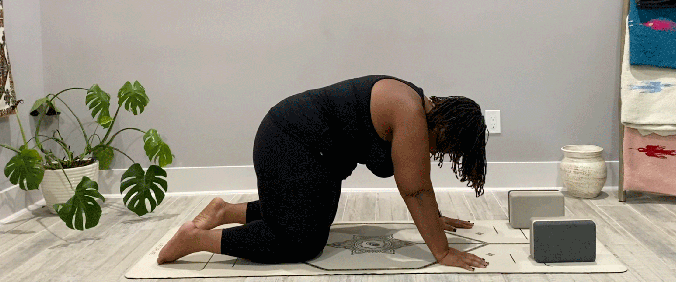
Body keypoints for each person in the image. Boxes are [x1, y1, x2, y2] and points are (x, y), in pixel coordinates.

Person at [157, 75, 489, 271]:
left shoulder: (414, 103)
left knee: (309, 216)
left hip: (312, 153)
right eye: (443, 147)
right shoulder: (409, 110)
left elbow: (416, 183)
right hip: (289, 140)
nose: (435, 153)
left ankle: (224, 211)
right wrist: (442, 251)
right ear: (445, 127)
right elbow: (415, 189)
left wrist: (433, 219)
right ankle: (198, 239)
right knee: (302, 242)